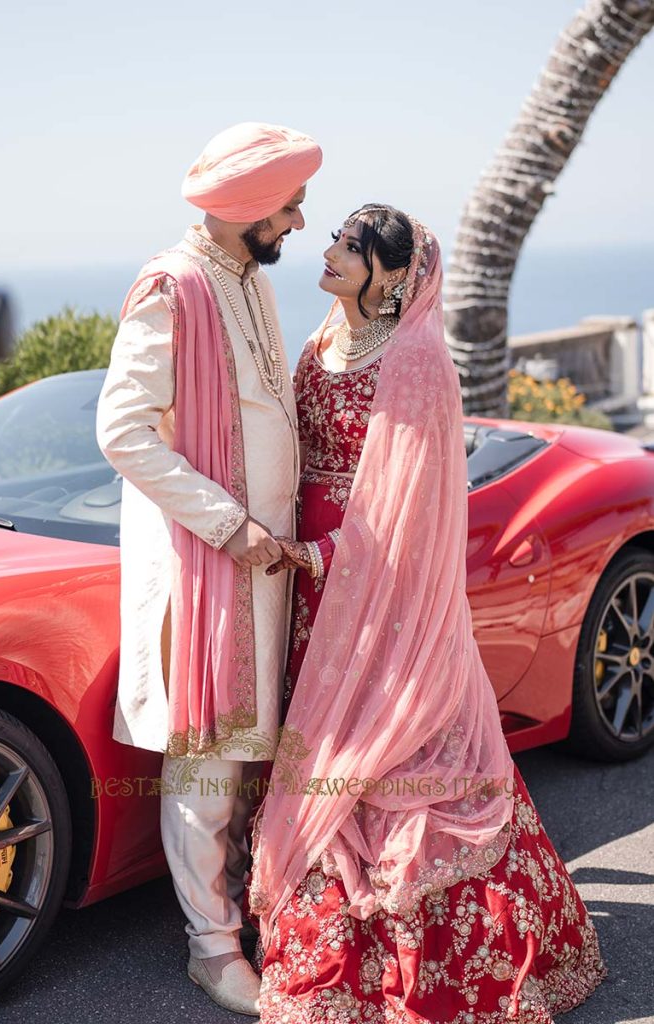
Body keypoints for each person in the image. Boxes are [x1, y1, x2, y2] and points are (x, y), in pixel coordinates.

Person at [249, 204, 607, 1022]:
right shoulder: (320, 340)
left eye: (354, 247)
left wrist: (320, 557)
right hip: (306, 590)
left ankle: (398, 952)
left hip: (371, 587)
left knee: (389, 744)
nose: (333, 252)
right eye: (337, 238)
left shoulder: (414, 364)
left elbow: (406, 509)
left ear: (394, 275)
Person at [96, 121, 322, 1017]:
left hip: (262, 568)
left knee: (244, 761)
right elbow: (123, 433)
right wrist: (230, 526)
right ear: (250, 208)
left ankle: (239, 911)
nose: (301, 223)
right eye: (292, 207)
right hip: (208, 566)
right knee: (205, 769)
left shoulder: (245, 279)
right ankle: (210, 949)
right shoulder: (172, 285)